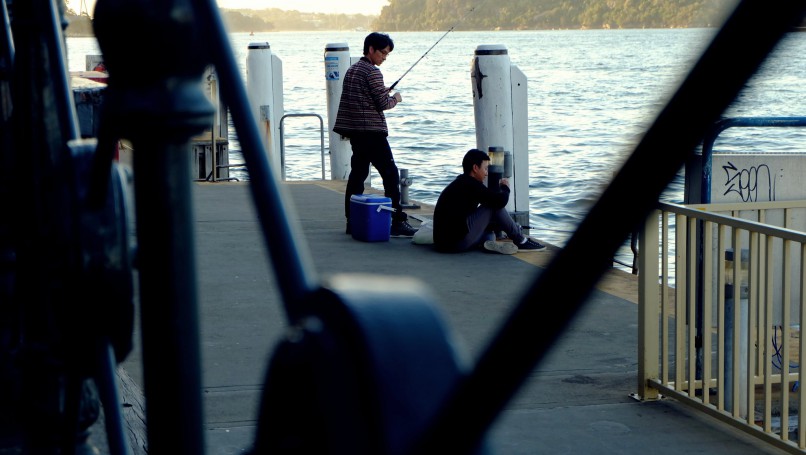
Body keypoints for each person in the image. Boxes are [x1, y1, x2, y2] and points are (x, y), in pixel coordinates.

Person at [333, 32, 418, 238]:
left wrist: (381, 91)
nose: (384, 57)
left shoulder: (353, 70)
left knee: (357, 176)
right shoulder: (372, 72)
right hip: (372, 134)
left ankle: (352, 221)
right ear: (371, 49)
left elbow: (363, 98)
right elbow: (383, 103)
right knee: (390, 175)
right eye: (383, 53)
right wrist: (395, 98)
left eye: (387, 54)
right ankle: (397, 221)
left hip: (356, 133)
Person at [433, 148, 546, 254]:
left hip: (443, 244)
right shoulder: (471, 185)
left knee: (489, 233)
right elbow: (499, 202)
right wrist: (505, 188)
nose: (487, 173)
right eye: (485, 169)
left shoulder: (460, 183)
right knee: (493, 206)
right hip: (456, 243)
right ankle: (521, 240)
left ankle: (486, 242)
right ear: (475, 168)